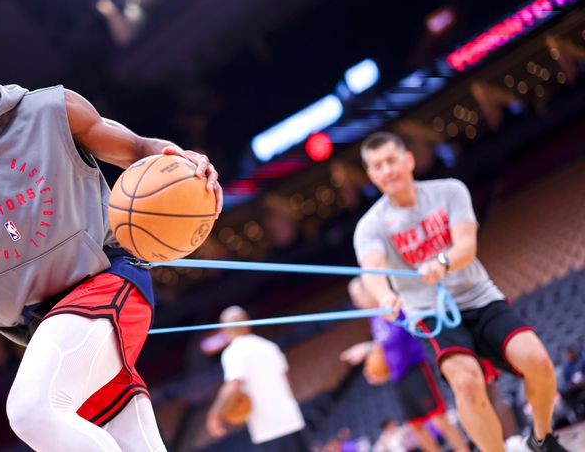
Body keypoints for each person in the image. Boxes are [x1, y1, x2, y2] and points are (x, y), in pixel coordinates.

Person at [0, 20, 223, 451]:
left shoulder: (51, 110)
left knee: (32, 411)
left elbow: (136, 149)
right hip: (41, 326)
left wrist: (184, 160)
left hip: (107, 283)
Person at [353, 131, 566, 452]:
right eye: (377, 166)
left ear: (408, 160)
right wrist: (384, 296)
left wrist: (442, 261)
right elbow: (372, 270)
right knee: (466, 384)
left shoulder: (449, 191)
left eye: (391, 160)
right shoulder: (370, 226)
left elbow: (466, 245)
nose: (386, 170)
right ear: (371, 175)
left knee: (538, 361)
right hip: (430, 314)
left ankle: (542, 438)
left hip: (479, 297)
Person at [341, 278, 469, 452]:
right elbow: (386, 348)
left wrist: (369, 347)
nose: (355, 301)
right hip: (398, 376)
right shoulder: (373, 317)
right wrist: (381, 372)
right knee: (416, 426)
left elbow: (398, 334)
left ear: (368, 290)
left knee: (439, 418)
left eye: (356, 296)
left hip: (415, 368)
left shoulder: (390, 304)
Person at [206, 306, 310, 451]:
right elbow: (287, 381)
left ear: (224, 330)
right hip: (292, 419)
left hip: (268, 428)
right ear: (247, 322)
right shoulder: (269, 346)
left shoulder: (233, 353)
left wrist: (215, 415)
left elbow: (233, 386)